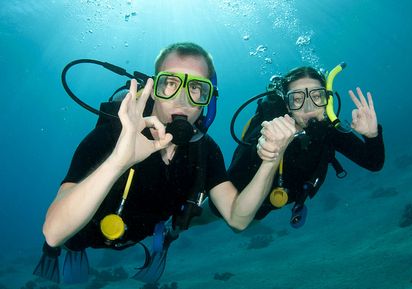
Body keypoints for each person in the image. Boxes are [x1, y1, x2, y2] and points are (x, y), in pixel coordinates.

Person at [33, 42, 294, 284]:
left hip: (148, 233)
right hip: (85, 233)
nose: (182, 99)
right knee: (70, 243)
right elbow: (54, 233)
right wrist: (119, 160)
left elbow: (238, 219)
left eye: (196, 88)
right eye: (170, 83)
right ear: (152, 90)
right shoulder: (112, 135)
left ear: (208, 99)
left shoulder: (205, 150)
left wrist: (271, 160)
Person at [224, 66, 385, 228]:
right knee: (212, 216)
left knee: (243, 226)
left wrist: (372, 136)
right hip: (237, 200)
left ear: (327, 100)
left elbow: (374, 163)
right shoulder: (270, 130)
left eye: (316, 96)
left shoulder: (328, 131)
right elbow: (231, 181)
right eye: (298, 99)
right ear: (287, 105)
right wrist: (263, 150)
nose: (309, 108)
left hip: (276, 203)